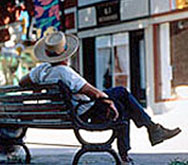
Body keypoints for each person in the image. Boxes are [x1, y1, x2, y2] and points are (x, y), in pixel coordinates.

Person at [18, 31, 181, 164]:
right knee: (121, 96)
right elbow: (92, 93)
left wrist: (39, 86)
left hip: (69, 112)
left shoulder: (42, 71)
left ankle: (148, 134)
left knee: (122, 103)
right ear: (66, 54)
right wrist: (108, 101)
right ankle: (148, 133)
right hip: (84, 111)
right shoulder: (65, 72)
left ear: (47, 54)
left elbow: (22, 82)